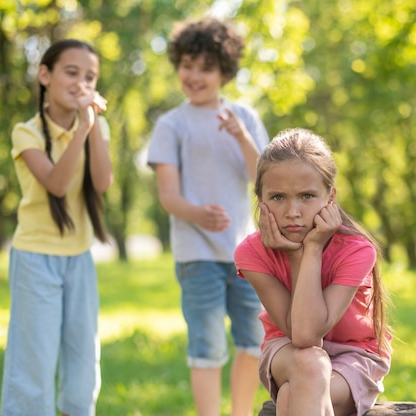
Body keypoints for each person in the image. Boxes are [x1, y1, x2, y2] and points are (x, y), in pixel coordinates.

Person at [146, 17, 269, 416]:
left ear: (225, 72)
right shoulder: (171, 124)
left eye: (206, 68)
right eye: (187, 64)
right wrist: (197, 214)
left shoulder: (245, 117)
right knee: (207, 345)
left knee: (254, 341)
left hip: (247, 256)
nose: (194, 75)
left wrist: (240, 135)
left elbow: (263, 179)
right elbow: (168, 196)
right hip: (196, 255)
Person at [234, 128, 392, 416]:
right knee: (310, 362)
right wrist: (299, 254)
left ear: (330, 197)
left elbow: (308, 334)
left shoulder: (356, 250)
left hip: (354, 355)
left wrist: (312, 249)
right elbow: (302, 337)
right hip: (285, 351)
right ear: (260, 199)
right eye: (278, 197)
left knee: (291, 398)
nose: (293, 211)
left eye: (307, 196)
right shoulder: (251, 253)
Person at [0, 39, 113, 416]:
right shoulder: (25, 132)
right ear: (45, 75)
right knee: (34, 359)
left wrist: (92, 127)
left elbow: (102, 182)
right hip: (34, 258)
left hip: (78, 258)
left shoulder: (97, 126)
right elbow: (56, 184)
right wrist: (82, 129)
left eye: (90, 76)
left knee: (84, 363)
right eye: (72, 72)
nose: (82, 81)